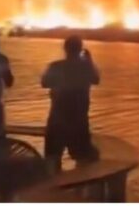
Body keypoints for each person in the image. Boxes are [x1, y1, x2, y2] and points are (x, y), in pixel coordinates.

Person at [41, 35, 100, 172]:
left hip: (57, 119)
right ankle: (82, 184)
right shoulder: (86, 68)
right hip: (78, 120)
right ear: (80, 49)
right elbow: (96, 79)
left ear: (65, 48)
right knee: (84, 160)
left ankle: (53, 182)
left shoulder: (56, 66)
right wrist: (89, 61)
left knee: (52, 159)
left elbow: (44, 83)